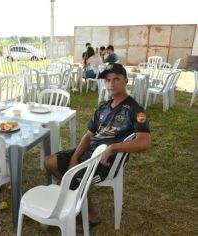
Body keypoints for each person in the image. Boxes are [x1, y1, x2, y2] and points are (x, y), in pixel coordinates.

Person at [44, 63, 151, 232]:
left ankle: (90, 214)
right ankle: (78, 203)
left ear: (126, 81)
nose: (111, 84)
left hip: (105, 162)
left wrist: (112, 148)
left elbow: (144, 143)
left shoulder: (135, 110)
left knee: (70, 178)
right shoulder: (103, 107)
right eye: (108, 80)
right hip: (89, 153)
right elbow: (88, 135)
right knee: (49, 162)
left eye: (116, 79)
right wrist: (74, 157)